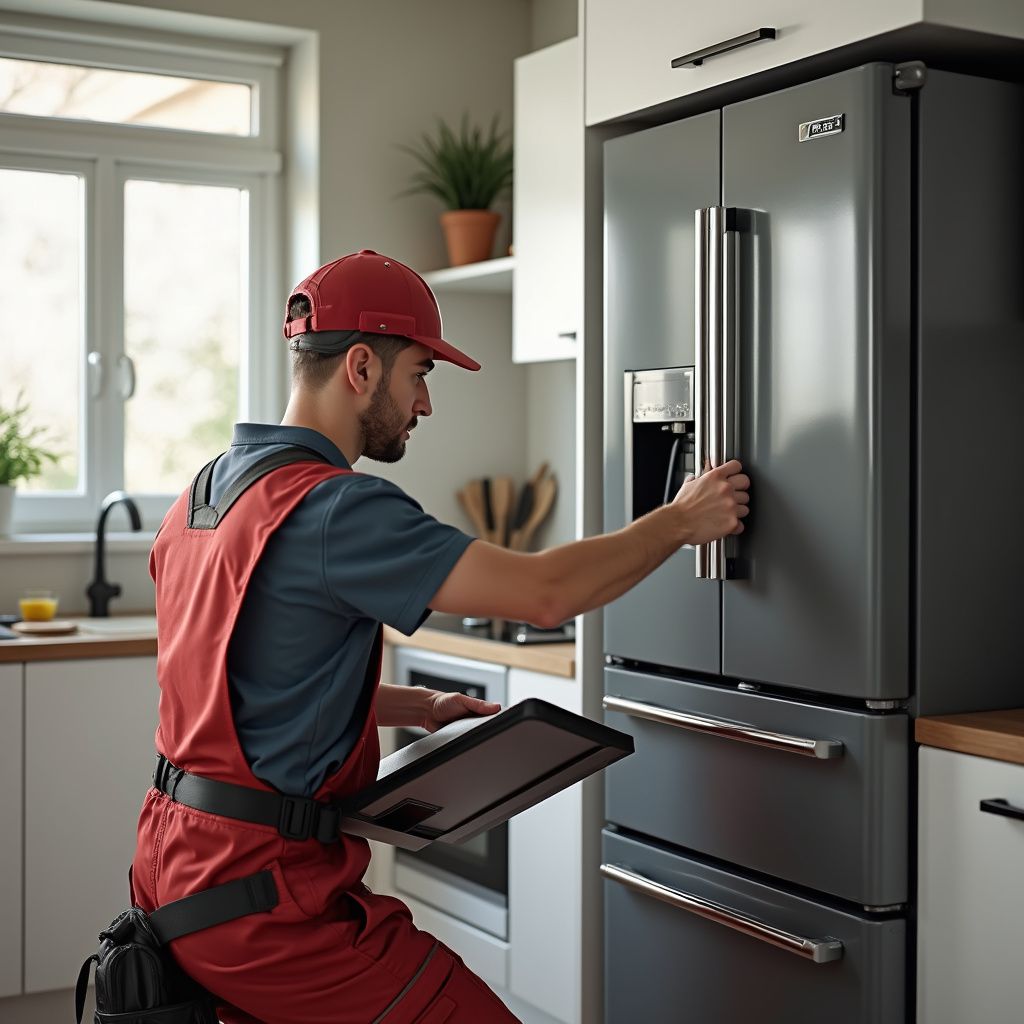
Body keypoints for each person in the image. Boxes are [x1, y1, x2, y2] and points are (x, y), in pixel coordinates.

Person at [132, 249, 750, 1024]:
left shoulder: (206, 490)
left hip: (180, 870)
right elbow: (546, 593)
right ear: (360, 366)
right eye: (419, 373)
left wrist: (414, 706)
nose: (424, 403)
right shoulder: (336, 509)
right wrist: (682, 520)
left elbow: (235, 681)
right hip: (266, 900)